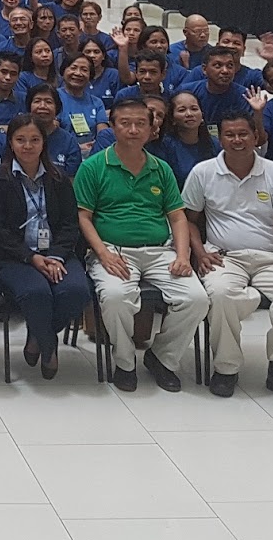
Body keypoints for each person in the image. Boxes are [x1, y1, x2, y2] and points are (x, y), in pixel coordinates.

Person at [74, 97, 209, 392]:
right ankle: (124, 362)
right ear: (112, 127)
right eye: (125, 123)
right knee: (114, 296)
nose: (133, 130)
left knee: (197, 299)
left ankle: (162, 357)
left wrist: (183, 255)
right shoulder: (94, 167)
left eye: (140, 124)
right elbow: (83, 217)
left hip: (160, 250)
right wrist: (102, 253)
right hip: (113, 249)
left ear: (152, 129)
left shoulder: (161, 169)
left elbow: (178, 216)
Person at [183, 113, 273, 408]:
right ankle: (226, 368)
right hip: (225, 257)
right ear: (221, 139)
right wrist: (200, 252)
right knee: (218, 294)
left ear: (256, 137)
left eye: (244, 134)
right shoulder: (203, 172)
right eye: (230, 135)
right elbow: (189, 220)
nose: (237, 140)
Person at [0, 114, 90, 379]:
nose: (27, 146)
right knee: (37, 293)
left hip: (57, 254)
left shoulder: (59, 178)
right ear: (10, 143)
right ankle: (49, 346)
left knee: (76, 291)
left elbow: (69, 224)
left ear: (44, 143)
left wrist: (55, 256)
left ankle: (38, 336)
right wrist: (31, 257)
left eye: (34, 140)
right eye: (20, 140)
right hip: (14, 257)